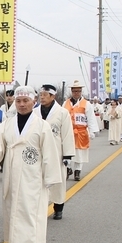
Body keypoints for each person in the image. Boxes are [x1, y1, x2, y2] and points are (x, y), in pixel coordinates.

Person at [0, 86, 61, 243]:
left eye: (26, 101)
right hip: (12, 174)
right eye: (18, 101)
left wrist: (50, 178)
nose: (22, 104)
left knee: (29, 210)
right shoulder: (7, 125)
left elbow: (49, 152)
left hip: (33, 176)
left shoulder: (42, 126)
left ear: (34, 102)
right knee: (14, 209)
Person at [39, 84, 74, 220]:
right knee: (39, 180)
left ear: (52, 96)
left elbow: (67, 134)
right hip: (40, 151)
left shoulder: (62, 113)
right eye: (40, 95)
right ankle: (39, 208)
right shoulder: (35, 112)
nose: (42, 98)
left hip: (57, 152)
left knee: (58, 181)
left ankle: (58, 207)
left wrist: (67, 155)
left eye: (45, 95)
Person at [62, 80, 99, 181]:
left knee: (79, 153)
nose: (76, 93)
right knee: (67, 151)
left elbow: (91, 118)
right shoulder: (66, 103)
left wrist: (92, 131)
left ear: (81, 92)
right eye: (74, 91)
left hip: (81, 132)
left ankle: (77, 171)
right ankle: (68, 168)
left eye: (78, 91)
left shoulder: (86, 104)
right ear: (71, 91)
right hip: (68, 131)